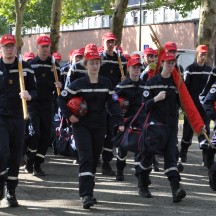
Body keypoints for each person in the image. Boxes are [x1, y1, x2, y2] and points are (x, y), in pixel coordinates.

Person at [57, 43, 124, 209]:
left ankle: (90, 191)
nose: (95, 65)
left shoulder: (107, 83)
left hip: (99, 126)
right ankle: (85, 195)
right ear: (85, 64)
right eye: (91, 62)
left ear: (100, 64)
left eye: (97, 62)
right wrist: (69, 116)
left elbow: (114, 104)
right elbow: (61, 99)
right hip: (81, 126)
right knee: (86, 158)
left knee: (94, 159)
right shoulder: (78, 84)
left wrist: (120, 121)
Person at [137, 52, 186, 203]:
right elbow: (144, 105)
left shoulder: (176, 83)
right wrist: (156, 99)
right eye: (168, 63)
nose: (171, 66)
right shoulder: (152, 82)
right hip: (155, 127)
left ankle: (175, 189)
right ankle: (142, 185)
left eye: (173, 63)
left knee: (171, 157)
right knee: (147, 157)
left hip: (171, 128)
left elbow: (185, 103)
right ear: (162, 63)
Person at [0, 34, 37, 207]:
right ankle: (0, 186)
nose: (9, 49)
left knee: (15, 156)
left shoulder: (26, 68)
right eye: (6, 46)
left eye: (11, 46)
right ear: (1, 49)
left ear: (16, 48)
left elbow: (35, 90)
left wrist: (29, 95)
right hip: (0, 117)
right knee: (2, 152)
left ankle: (11, 191)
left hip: (18, 117)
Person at [25, 35, 62, 176]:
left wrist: (59, 85)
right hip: (33, 104)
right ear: (37, 47)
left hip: (48, 104)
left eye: (47, 46)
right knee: (35, 134)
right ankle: (29, 159)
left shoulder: (54, 66)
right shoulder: (31, 65)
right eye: (43, 46)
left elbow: (58, 87)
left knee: (46, 135)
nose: (46, 49)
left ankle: (38, 164)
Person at [99, 32, 127, 176]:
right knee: (99, 132)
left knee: (111, 132)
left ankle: (106, 163)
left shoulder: (120, 60)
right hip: (99, 99)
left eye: (113, 42)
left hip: (114, 100)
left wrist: (124, 78)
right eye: (108, 42)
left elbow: (126, 79)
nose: (111, 44)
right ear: (103, 42)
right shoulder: (99, 59)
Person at [179, 45, 211, 163]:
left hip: (204, 108)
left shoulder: (209, 70)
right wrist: (186, 107)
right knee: (188, 132)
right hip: (192, 107)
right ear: (196, 54)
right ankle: (183, 153)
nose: (203, 56)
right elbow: (185, 89)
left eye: (205, 54)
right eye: (201, 54)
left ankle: (206, 157)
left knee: (205, 130)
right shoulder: (190, 69)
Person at [115, 57, 145, 181]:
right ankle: (120, 170)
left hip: (141, 121)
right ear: (128, 69)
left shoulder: (144, 85)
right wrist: (119, 119)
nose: (136, 70)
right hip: (126, 121)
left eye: (138, 68)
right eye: (134, 67)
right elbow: (112, 101)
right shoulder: (122, 85)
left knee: (140, 149)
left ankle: (139, 175)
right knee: (123, 150)